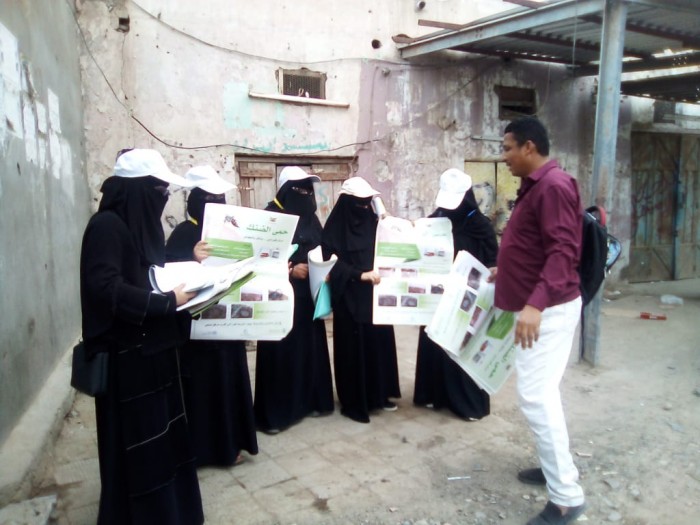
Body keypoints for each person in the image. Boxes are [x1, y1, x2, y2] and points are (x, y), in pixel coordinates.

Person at [79, 148, 204, 525]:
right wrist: (165, 302)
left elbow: (148, 273)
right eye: (158, 191)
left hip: (155, 353)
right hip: (128, 361)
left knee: (163, 445)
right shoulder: (107, 226)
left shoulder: (140, 226)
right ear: (136, 191)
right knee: (139, 450)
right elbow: (105, 288)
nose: (163, 199)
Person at [490, 117, 586, 525]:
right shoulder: (537, 186)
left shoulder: (553, 186)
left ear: (529, 147)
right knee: (542, 394)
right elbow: (535, 245)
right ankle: (554, 469)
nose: (505, 156)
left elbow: (564, 251)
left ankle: (566, 498)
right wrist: (506, 270)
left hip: (548, 310)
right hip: (541, 304)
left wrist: (535, 304)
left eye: (508, 148)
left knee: (535, 397)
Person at [165, 165, 259, 467]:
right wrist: (191, 257)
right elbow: (169, 276)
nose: (215, 203)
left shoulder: (232, 231)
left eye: (219, 198)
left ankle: (231, 444)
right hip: (198, 333)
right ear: (194, 200)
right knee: (202, 389)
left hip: (229, 325)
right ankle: (201, 450)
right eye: (208, 198)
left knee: (229, 383)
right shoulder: (183, 233)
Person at [254, 166, 335, 433]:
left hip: (309, 297)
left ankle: (310, 402)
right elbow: (257, 260)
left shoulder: (310, 218)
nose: (306, 195)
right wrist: (289, 271)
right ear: (286, 191)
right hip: (280, 299)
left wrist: (324, 267)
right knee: (281, 354)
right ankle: (277, 415)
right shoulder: (269, 218)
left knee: (308, 350)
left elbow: (321, 245)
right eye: (299, 189)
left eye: (308, 190)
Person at [413, 168, 498, 420]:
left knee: (462, 347)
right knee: (435, 344)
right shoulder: (435, 220)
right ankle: (433, 395)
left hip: (467, 300)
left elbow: (493, 261)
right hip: (438, 298)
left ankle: (467, 404)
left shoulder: (480, 226)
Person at [321, 176, 401, 423]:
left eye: (368, 202)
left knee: (378, 346)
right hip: (350, 299)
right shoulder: (334, 229)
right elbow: (330, 262)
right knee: (354, 350)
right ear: (347, 203)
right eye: (359, 202)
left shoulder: (375, 222)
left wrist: (391, 224)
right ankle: (355, 402)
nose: (364, 207)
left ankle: (380, 395)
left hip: (376, 297)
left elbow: (391, 247)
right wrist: (359, 274)